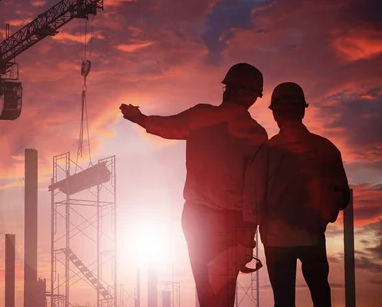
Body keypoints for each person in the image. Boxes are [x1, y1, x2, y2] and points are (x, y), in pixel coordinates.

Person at [120, 62, 268, 306]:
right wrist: (248, 231)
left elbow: (167, 126)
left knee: (205, 287)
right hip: (232, 220)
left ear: (227, 88)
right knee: (222, 289)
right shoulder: (255, 134)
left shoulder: (201, 116)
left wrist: (139, 118)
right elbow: (256, 189)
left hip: (196, 217)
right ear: (253, 97)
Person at [244, 82, 350, 307]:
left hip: (276, 240)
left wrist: (246, 240)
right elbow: (341, 196)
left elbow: (254, 199)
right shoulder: (326, 148)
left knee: (283, 301)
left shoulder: (266, 152)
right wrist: (321, 218)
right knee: (321, 296)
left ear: (275, 114)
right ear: (302, 110)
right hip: (312, 236)